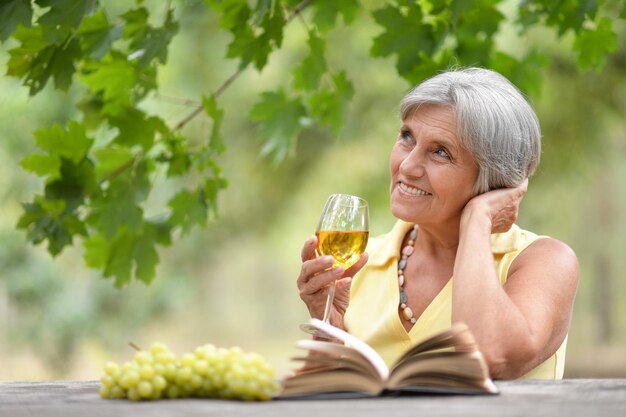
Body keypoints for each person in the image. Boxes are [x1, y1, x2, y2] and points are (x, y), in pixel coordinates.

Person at [296, 67, 579, 380]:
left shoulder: (543, 261)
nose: (407, 164)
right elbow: (319, 400)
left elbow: (491, 358)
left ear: (494, 179)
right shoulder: (358, 265)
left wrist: (477, 219)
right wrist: (329, 334)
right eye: (407, 137)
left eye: (440, 152)